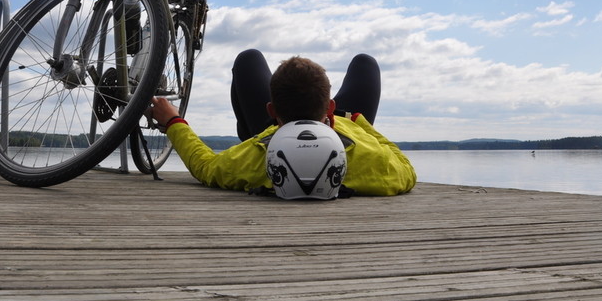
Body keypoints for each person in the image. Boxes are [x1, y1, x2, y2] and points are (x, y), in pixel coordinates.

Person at [149, 49, 416, 197]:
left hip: (271, 136)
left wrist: (173, 120)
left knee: (248, 59)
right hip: (346, 129)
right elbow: (407, 170)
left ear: (271, 110)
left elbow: (205, 166)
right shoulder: (372, 159)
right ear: (330, 107)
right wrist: (358, 122)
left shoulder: (256, 154)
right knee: (365, 62)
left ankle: (270, 119)